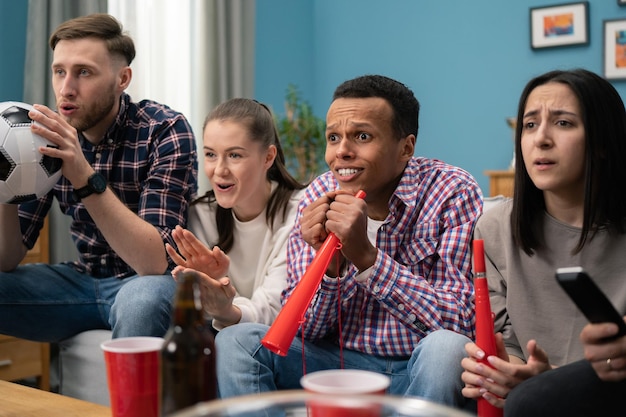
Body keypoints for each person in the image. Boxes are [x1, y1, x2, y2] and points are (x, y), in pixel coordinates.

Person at [214, 74, 483, 399]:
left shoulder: (451, 192)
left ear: (406, 148)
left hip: (416, 367)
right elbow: (304, 331)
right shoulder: (319, 194)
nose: (341, 151)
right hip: (334, 365)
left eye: (362, 136)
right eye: (333, 137)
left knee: (448, 350)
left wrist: (368, 259)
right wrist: (331, 269)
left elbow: (463, 322)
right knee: (235, 342)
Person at [426, 68, 626, 415]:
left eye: (563, 123)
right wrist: (511, 371)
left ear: (603, 142)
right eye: (530, 125)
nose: (541, 139)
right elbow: (510, 338)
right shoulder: (494, 230)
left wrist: (544, 382)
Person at [0, 13, 198, 341]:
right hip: (81, 282)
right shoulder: (41, 137)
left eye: (84, 73)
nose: (66, 89)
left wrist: (83, 174)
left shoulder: (165, 130)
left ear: (122, 79)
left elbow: (154, 262)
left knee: (141, 303)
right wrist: (5, 186)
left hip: (148, 282)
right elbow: (7, 259)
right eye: (59, 71)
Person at [165, 98, 305, 330]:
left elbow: (276, 311)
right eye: (211, 155)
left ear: (268, 157)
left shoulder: (298, 213)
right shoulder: (199, 216)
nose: (219, 170)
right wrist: (215, 290)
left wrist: (225, 307)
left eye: (234, 156)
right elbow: (201, 311)